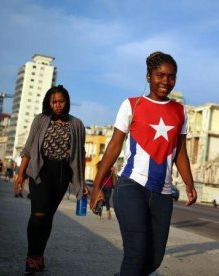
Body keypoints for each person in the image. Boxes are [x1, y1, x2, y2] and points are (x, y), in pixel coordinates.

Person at [90, 51, 197, 276]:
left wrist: (189, 183)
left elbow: (180, 152)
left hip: (163, 193)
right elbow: (113, 147)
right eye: (160, 75)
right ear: (149, 75)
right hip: (131, 186)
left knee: (154, 259)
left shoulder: (180, 111)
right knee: (136, 251)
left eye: (171, 76)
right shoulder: (132, 105)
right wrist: (97, 186)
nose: (166, 81)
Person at [13, 85, 87, 275]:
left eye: (61, 101)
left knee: (48, 216)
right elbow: (29, 148)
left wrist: (82, 182)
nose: (57, 105)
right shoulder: (41, 120)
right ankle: (31, 256)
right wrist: (20, 174)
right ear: (48, 102)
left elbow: (79, 155)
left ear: (67, 101)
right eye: (54, 101)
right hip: (41, 170)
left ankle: (39, 256)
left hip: (62, 174)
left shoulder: (76, 124)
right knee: (38, 214)